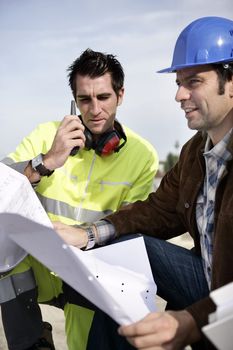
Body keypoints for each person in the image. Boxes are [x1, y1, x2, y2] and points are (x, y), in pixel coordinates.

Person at [56, 17, 233, 350]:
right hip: (208, 280)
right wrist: (90, 234)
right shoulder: (195, 151)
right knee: (122, 250)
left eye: (193, 81)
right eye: (178, 82)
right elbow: (158, 210)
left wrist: (193, 320)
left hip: (227, 301)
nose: (179, 95)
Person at [0, 49, 158, 350]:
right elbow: (1, 188)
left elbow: (133, 228)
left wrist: (83, 239)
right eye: (84, 99)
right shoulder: (46, 134)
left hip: (91, 269)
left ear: (120, 95)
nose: (94, 109)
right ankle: (32, 343)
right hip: (37, 265)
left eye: (104, 97)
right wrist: (46, 161)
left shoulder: (143, 154)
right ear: (74, 100)